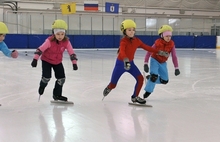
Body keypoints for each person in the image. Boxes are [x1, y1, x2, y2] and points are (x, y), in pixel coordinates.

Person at [103, 19, 169, 104]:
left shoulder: (136, 40)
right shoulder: (123, 41)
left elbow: (146, 47)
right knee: (113, 84)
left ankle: (135, 97)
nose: (132, 32)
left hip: (131, 64)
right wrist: (125, 60)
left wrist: (159, 52)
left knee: (140, 79)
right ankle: (109, 87)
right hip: (120, 65)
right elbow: (122, 51)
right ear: (124, 31)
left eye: (133, 30)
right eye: (129, 30)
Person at [31, 19, 78, 102]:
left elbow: (71, 52)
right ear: (54, 33)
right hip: (46, 61)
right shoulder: (49, 41)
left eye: (62, 34)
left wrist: (74, 63)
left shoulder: (66, 42)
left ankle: (57, 95)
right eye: (58, 34)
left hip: (57, 62)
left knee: (61, 79)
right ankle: (42, 86)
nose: (60, 36)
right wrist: (35, 59)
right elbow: (40, 49)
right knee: (46, 77)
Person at [143, 25, 180, 99]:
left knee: (164, 80)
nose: (168, 38)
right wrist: (145, 63)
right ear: (162, 35)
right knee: (154, 77)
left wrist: (176, 68)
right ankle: (148, 91)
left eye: (170, 36)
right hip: (155, 60)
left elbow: (174, 56)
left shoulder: (172, 44)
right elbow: (149, 52)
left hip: (163, 63)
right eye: (167, 36)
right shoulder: (157, 43)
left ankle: (150, 78)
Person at [0, 22, 18, 106]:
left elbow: (6, 51)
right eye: (1, 35)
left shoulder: (1, 44)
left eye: (4, 36)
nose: (2, 38)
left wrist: (11, 54)